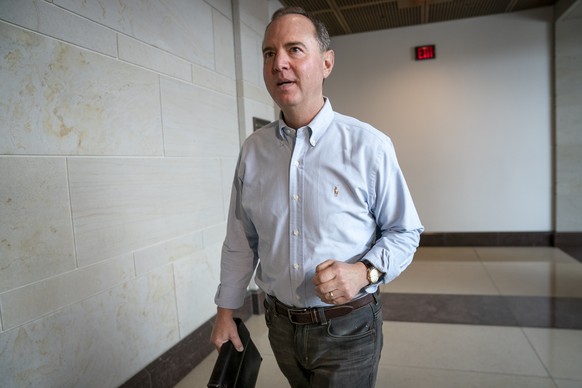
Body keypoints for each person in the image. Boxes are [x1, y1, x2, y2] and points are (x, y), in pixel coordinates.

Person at [211, 6, 423, 388]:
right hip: (280, 328)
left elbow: (405, 232)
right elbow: (242, 240)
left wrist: (364, 272)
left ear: (326, 63)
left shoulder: (368, 146)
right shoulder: (253, 151)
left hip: (350, 328)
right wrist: (226, 311)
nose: (279, 64)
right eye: (269, 53)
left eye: (294, 49)